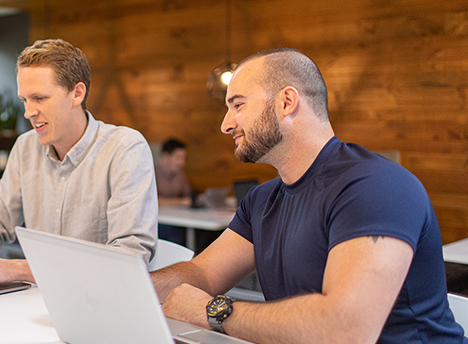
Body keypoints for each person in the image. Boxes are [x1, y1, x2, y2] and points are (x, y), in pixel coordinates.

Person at [152, 48, 466, 343]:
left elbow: (347, 330)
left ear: (287, 102)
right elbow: (203, 273)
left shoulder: (375, 186)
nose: (226, 124)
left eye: (237, 105)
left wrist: (215, 311)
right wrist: (125, 286)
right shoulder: (261, 201)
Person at [0, 39, 158, 287]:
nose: (28, 112)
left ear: (77, 93)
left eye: (40, 98)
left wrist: (15, 269)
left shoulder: (125, 149)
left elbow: (129, 259)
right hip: (40, 302)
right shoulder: (26, 147)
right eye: (24, 99)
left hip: (104, 303)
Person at [155, 138, 192, 246]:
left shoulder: (180, 174)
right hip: (160, 223)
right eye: (178, 158)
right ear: (166, 156)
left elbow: (189, 196)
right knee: (176, 233)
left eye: (183, 158)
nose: (182, 163)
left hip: (178, 220)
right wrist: (181, 202)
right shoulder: (152, 172)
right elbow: (153, 202)